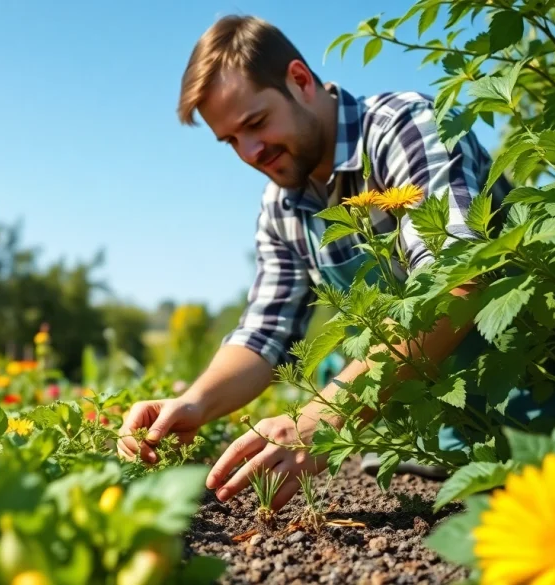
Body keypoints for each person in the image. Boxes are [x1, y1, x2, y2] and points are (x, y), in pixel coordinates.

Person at [116, 15, 522, 512]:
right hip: (435, 433)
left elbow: (457, 280)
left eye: (256, 124)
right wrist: (194, 403)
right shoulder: (283, 205)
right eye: (230, 141)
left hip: (531, 397)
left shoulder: (402, 128)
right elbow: (264, 335)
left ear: (301, 81)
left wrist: (321, 418)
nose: (250, 152)